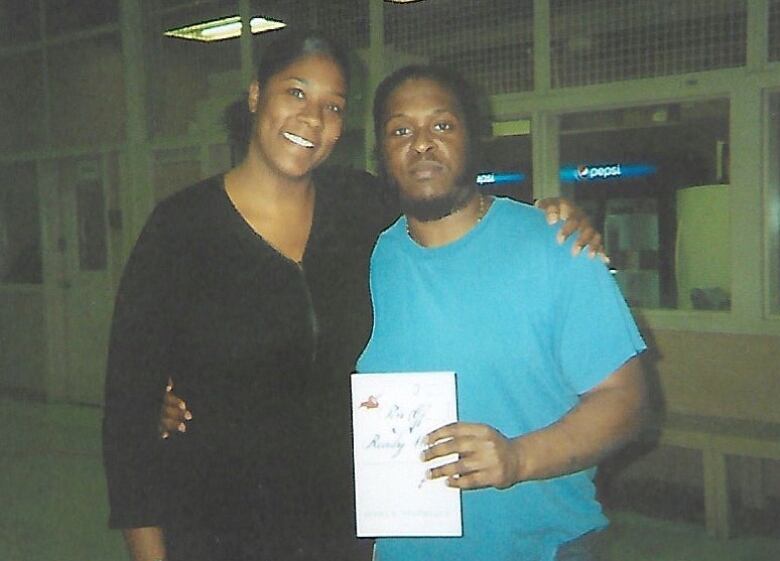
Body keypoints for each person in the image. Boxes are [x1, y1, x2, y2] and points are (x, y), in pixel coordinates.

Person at [105, 30, 604, 561]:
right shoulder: (180, 229)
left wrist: (544, 217)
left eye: (333, 106)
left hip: (344, 528)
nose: (312, 118)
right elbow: (126, 415)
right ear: (255, 96)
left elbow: (450, 213)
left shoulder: (363, 208)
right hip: (215, 527)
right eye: (295, 93)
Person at [355, 65, 647, 561]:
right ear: (382, 153)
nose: (421, 144)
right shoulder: (364, 262)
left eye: (441, 126)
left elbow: (627, 402)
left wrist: (518, 457)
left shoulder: (554, 246)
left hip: (543, 548)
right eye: (400, 130)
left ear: (473, 137)